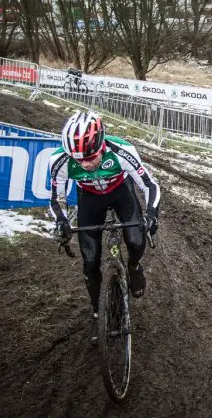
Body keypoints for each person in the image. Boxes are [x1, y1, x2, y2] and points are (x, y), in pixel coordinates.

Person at [50, 111, 161, 319]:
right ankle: (97, 311)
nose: (85, 165)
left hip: (121, 191)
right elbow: (57, 197)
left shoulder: (121, 151)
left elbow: (149, 184)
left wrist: (152, 213)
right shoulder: (60, 159)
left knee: (136, 241)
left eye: (90, 158)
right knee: (90, 260)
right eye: (78, 159)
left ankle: (134, 266)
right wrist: (61, 220)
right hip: (89, 197)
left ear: (101, 145)